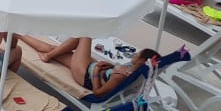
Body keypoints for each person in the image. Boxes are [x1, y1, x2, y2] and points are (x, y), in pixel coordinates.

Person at [19, 36, 158, 97]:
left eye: (138, 54)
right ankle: (18, 34)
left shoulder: (121, 76)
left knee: (85, 34)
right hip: (90, 68)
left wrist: (97, 72)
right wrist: (109, 67)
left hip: (85, 74)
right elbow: (109, 79)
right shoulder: (132, 72)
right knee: (54, 49)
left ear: (141, 61)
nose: (135, 54)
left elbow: (98, 93)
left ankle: (48, 56)